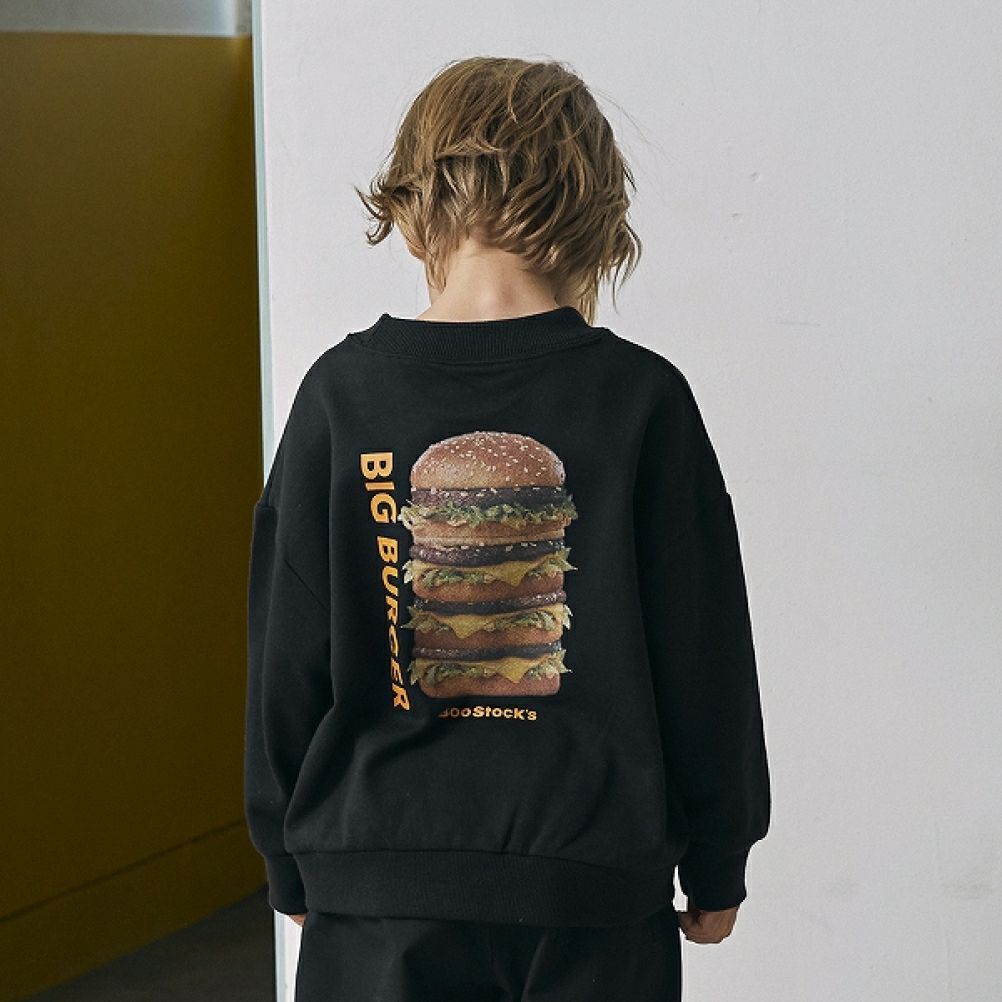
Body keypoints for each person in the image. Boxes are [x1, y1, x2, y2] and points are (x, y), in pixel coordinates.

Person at [244, 55, 771, 1002]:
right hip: (592, 887)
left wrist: (285, 853)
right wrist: (718, 852)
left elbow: (286, 649)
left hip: (379, 884)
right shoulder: (642, 398)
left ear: (414, 199)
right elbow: (705, 652)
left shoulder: (342, 395)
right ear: (595, 211)